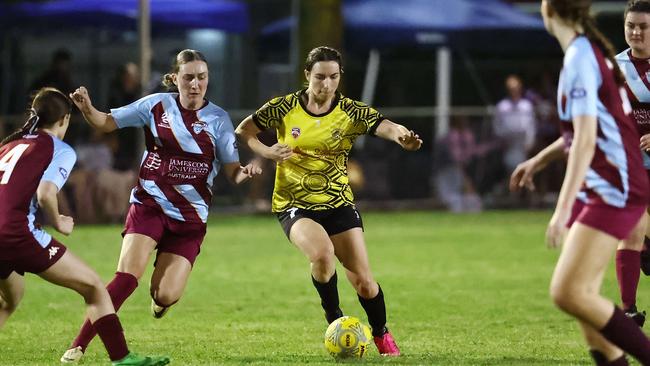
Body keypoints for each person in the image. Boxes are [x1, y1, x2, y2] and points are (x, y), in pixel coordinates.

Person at [60, 49, 262, 363]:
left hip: (190, 219)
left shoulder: (218, 119)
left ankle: (161, 298)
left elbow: (232, 170)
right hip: (149, 205)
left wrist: (244, 172)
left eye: (202, 77)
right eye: (189, 77)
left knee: (165, 294)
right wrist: (88, 109)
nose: (195, 84)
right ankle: (78, 345)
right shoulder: (156, 105)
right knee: (126, 277)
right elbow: (106, 122)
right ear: (175, 79)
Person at [235, 46, 422, 356]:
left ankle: (380, 334)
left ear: (339, 77)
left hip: (338, 204)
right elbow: (245, 130)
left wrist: (403, 137)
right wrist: (269, 152)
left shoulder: (350, 111)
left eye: (333, 77)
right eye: (319, 77)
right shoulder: (284, 107)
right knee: (322, 255)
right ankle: (334, 318)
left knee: (364, 282)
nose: (326, 84)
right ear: (307, 75)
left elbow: (386, 126)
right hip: (294, 204)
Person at [510, 1, 650, 364]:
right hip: (609, 182)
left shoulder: (580, 57)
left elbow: (587, 139)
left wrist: (561, 210)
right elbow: (587, 130)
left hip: (613, 186)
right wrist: (539, 161)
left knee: (568, 292)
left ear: (549, 11)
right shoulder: (589, 51)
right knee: (584, 305)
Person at [0, 87, 169, 366]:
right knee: (93, 287)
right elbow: (45, 192)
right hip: (16, 234)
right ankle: (122, 357)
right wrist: (59, 221)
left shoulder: (10, 145)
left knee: (11, 298)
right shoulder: (59, 148)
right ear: (65, 119)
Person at [613, 0, 650, 327]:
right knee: (631, 231)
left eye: (643, 26)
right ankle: (628, 310)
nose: (636, 32)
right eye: (630, 26)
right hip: (631, 168)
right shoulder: (614, 69)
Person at [493, 74, 537, 174]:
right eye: (511, 88)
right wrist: (502, 141)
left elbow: (531, 126)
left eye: (516, 88)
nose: (514, 91)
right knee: (508, 172)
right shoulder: (501, 106)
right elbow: (496, 127)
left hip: (523, 146)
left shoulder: (527, 106)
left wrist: (530, 143)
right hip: (507, 146)